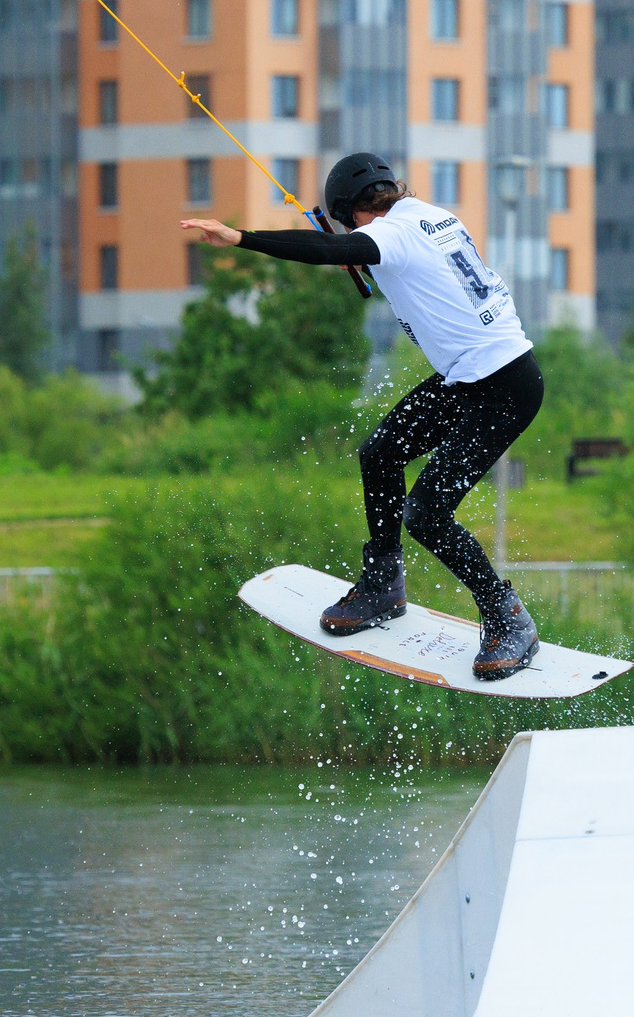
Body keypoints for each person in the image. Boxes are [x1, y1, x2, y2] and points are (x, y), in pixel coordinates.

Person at [180, 152, 543, 680]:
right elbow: (402, 260)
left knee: (426, 513)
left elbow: (332, 248)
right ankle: (382, 585)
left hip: (502, 388)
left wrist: (241, 238)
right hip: (474, 376)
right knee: (380, 453)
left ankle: (508, 618)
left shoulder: (390, 237)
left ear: (351, 213)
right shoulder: (431, 215)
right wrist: (361, 250)